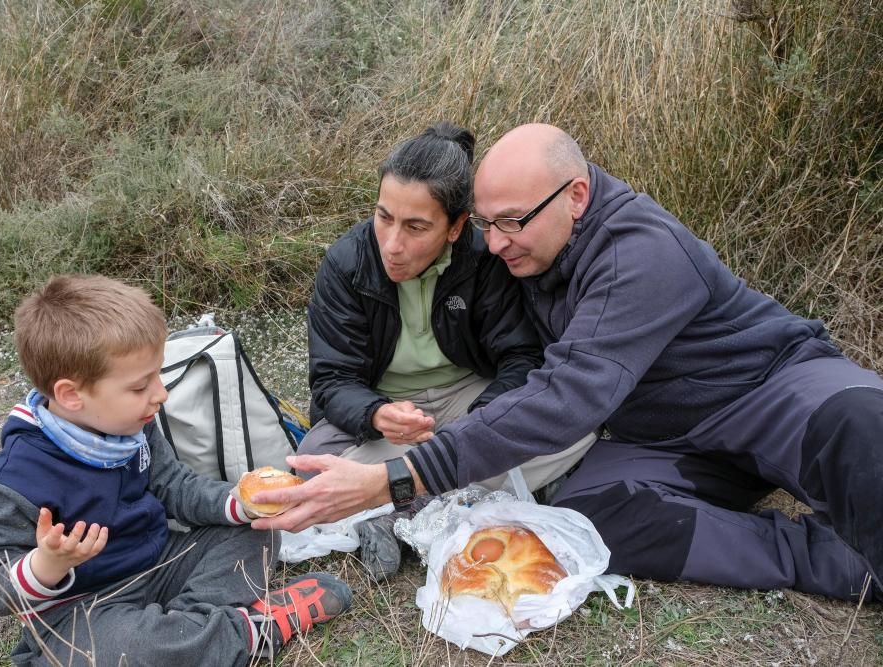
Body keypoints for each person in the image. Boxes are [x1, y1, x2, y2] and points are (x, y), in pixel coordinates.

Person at [254, 124, 883, 603]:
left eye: (512, 223)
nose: (495, 245)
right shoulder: (519, 252)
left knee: (856, 417)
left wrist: (398, 477)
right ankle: (830, 561)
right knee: (582, 521)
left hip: (764, 387)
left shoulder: (641, 252)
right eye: (489, 225)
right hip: (665, 438)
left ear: (576, 195)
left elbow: (565, 395)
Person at [0, 275, 352, 666]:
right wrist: (46, 565)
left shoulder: (133, 426)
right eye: (140, 386)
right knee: (123, 650)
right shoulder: (12, 482)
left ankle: (187, 634)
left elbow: (175, 487)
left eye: (157, 375)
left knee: (258, 534)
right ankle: (252, 628)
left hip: (160, 562)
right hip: (81, 608)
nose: (161, 394)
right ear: (71, 395)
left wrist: (239, 504)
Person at [299, 121, 596, 579]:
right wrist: (376, 413)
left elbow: (520, 358)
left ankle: (401, 506)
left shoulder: (484, 259)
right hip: (387, 412)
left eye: (416, 227)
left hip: (465, 398)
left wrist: (480, 425)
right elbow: (332, 380)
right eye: (384, 217)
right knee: (313, 469)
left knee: (578, 430)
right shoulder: (346, 264)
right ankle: (477, 497)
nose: (392, 245)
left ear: (456, 227)